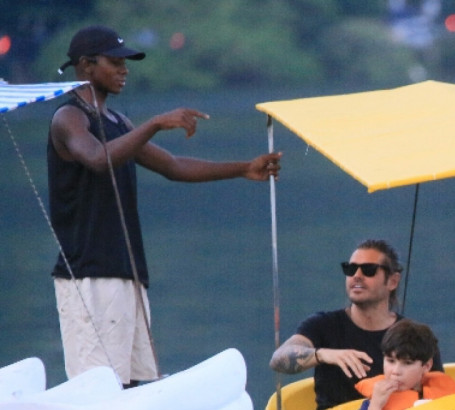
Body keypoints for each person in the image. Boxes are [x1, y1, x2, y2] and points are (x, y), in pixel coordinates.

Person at [49, 25, 282, 386]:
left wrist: (243, 168)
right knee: (99, 388)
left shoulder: (117, 122)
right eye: (115, 62)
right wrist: (155, 123)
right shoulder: (69, 117)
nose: (124, 70)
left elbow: (173, 166)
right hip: (89, 275)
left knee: (138, 384)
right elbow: (96, 158)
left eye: (125, 63)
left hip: (127, 272)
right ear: (85, 65)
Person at [270, 239, 443, 410]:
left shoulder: (416, 337)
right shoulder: (323, 324)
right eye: (350, 269)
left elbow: (437, 396)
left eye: (369, 270)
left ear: (393, 281)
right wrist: (323, 354)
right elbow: (278, 360)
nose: (357, 275)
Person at [354, 319, 455, 410]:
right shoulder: (372, 403)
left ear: (426, 366)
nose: (396, 371)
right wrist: (376, 406)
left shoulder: (448, 397)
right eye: (390, 361)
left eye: (407, 363)